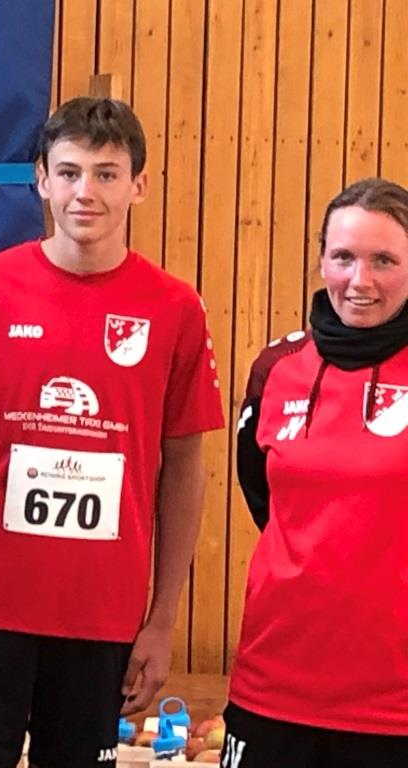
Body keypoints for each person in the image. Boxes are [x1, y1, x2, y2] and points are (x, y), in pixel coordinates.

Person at [0, 96, 225, 767]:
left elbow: (185, 466)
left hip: (102, 618)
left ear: (138, 185)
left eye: (106, 174)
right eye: (70, 172)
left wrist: (163, 618)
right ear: (42, 180)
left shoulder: (175, 308)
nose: (86, 192)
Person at [227, 178, 408, 767]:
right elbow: (263, 497)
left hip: (393, 707)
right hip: (272, 687)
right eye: (344, 257)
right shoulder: (276, 367)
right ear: (322, 260)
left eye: (384, 260)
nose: (360, 280)